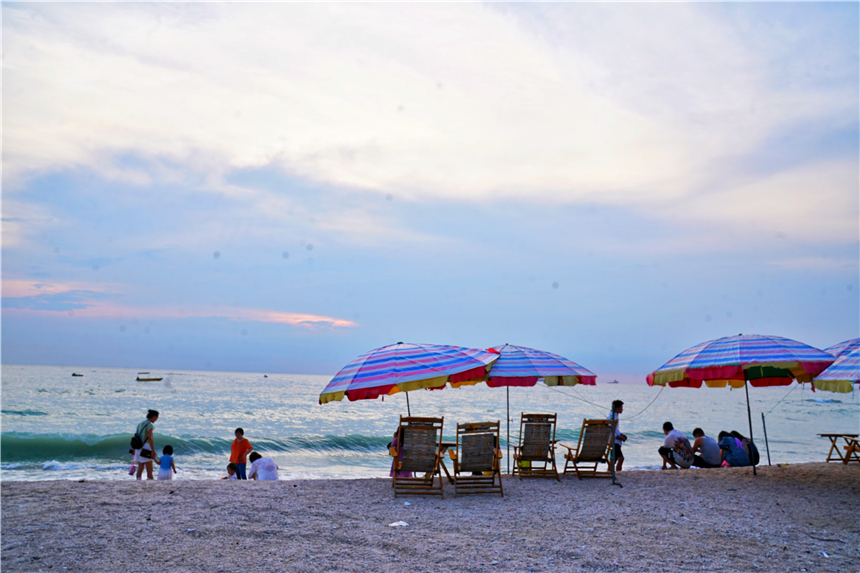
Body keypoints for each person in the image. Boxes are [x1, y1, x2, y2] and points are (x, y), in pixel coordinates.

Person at [134, 410, 160, 480]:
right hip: (146, 447)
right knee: (149, 469)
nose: (156, 420)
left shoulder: (140, 423)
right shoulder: (149, 425)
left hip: (138, 448)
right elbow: (150, 438)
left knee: (140, 468)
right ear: (154, 417)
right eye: (156, 418)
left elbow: (137, 436)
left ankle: (138, 481)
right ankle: (151, 481)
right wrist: (153, 451)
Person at [608, 400, 627, 471]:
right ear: (617, 408)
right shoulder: (613, 417)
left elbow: (615, 429)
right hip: (614, 441)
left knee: (613, 459)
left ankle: (609, 472)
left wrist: (621, 434)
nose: (622, 409)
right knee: (620, 459)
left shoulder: (612, 414)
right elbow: (611, 430)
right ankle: (618, 473)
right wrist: (619, 437)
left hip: (613, 440)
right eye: (621, 407)